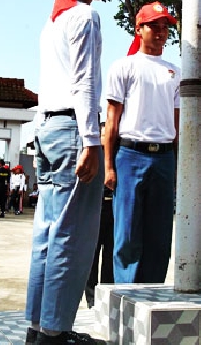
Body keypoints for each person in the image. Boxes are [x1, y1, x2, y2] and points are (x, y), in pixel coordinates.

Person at [25, 0, 121, 345]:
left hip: (46, 129)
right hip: (70, 131)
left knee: (47, 235)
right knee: (74, 235)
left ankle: (38, 326)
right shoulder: (85, 16)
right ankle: (56, 332)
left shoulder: (53, 22)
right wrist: (92, 142)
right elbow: (84, 83)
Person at [104, 2, 180, 284]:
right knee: (127, 233)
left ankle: (153, 293)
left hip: (163, 157)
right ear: (139, 29)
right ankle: (126, 294)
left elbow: (177, 124)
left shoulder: (175, 72)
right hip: (130, 154)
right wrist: (108, 165)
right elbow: (112, 121)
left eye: (165, 27)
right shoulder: (124, 66)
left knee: (160, 235)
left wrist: (178, 165)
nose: (161, 33)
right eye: (154, 26)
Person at [84, 123, 114, 308]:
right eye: (102, 134)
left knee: (110, 255)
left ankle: (108, 295)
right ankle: (91, 298)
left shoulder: (116, 156)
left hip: (113, 209)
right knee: (92, 256)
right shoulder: (92, 157)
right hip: (95, 209)